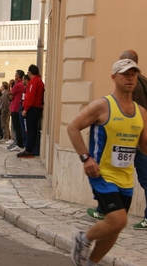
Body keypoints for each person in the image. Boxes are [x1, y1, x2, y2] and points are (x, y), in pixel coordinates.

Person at [67, 59, 147, 266]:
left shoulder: (141, 113)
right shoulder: (103, 106)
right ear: (114, 77)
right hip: (101, 174)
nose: (130, 78)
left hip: (125, 177)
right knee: (119, 220)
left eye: (133, 74)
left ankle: (90, 263)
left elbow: (144, 145)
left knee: (115, 227)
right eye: (125, 74)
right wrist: (86, 158)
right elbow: (73, 127)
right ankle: (82, 239)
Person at [87, 50, 147, 230]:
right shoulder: (143, 81)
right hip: (138, 136)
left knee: (108, 171)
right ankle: (104, 209)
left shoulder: (129, 84)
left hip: (128, 139)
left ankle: (103, 212)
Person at [17, 65, 44, 158]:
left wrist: (25, 109)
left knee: (30, 130)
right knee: (33, 130)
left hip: (32, 108)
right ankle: (32, 149)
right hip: (36, 108)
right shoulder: (39, 81)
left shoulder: (33, 82)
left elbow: (31, 97)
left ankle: (29, 150)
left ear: (30, 73)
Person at [8, 70, 25, 152]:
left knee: (16, 127)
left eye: (16, 74)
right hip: (19, 106)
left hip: (15, 107)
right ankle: (19, 142)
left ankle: (19, 144)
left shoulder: (17, 85)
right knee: (18, 127)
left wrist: (9, 86)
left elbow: (10, 94)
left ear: (18, 75)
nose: (15, 75)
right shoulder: (22, 84)